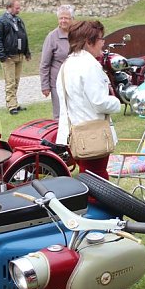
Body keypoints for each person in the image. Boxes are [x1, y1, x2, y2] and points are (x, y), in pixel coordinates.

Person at [56, 20, 121, 180]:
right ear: (88, 42)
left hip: (75, 132)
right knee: (98, 181)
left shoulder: (67, 64)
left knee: (88, 177)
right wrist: (116, 101)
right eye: (100, 39)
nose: (103, 43)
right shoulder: (89, 65)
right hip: (92, 133)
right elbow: (99, 102)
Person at [0, 0, 31, 115]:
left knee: (16, 81)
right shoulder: (0, 21)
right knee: (10, 81)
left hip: (19, 55)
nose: (18, 9)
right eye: (17, 7)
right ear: (9, 7)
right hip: (8, 56)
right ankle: (11, 106)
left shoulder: (18, 20)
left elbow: (24, 36)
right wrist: (2, 55)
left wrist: (27, 52)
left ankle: (14, 103)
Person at [40, 5, 74, 120]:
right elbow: (44, 64)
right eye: (61, 18)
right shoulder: (52, 37)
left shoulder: (77, 34)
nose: (63, 21)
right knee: (60, 116)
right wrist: (45, 86)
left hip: (75, 81)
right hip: (58, 83)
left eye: (66, 18)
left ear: (72, 19)